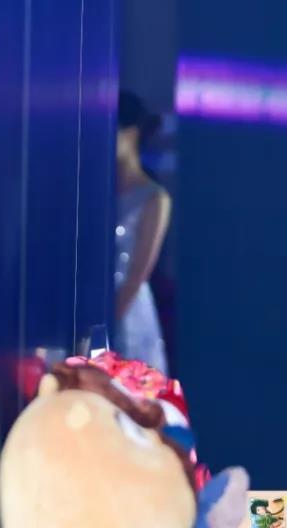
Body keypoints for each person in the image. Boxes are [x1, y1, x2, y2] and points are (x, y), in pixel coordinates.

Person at [115, 90, 170, 371]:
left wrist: (113, 314)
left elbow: (138, 273)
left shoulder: (154, 198)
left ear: (131, 133)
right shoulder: (97, 193)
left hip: (128, 313)